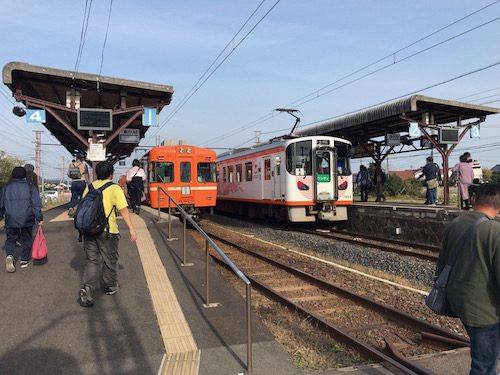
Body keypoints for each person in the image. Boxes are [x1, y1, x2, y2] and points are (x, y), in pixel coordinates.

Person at [435, 183, 500, 375]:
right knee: (484, 365)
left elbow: (441, 266)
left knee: (486, 358)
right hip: (485, 311)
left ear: (473, 200)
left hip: (460, 303)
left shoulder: (455, 224)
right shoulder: (495, 231)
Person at [78, 161, 137, 307]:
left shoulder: (89, 187)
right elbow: (123, 209)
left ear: (97, 173)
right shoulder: (114, 188)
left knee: (92, 261)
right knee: (110, 259)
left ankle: (88, 288)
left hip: (89, 230)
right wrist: (131, 228)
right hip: (108, 231)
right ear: (111, 173)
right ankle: (110, 286)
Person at [0, 167, 43, 272]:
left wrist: (0, 216)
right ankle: (24, 260)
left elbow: (1, 205)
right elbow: (36, 205)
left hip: (10, 218)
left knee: (11, 239)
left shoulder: (6, 188)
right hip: (27, 218)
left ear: (13, 176)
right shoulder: (30, 188)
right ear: (25, 176)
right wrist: (39, 218)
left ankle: (10, 255)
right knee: (27, 239)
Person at [67, 152, 89, 217]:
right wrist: (88, 183)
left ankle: (71, 208)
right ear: (81, 158)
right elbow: (87, 175)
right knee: (82, 196)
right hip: (82, 182)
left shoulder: (71, 165)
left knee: (74, 196)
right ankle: (80, 210)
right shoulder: (84, 165)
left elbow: (68, 174)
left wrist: (73, 177)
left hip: (74, 182)